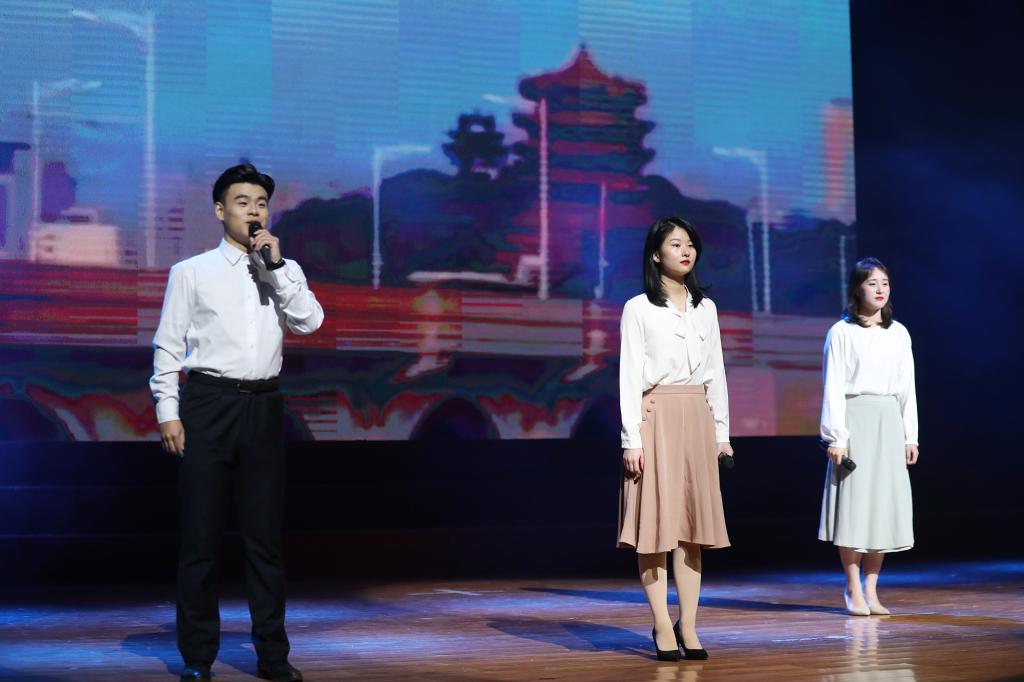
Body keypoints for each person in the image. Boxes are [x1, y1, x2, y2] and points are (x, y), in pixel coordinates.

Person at [151, 163, 324, 681]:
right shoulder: (191, 271)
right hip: (208, 404)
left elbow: (310, 322)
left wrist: (277, 268)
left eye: (261, 203)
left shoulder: (283, 268)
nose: (253, 211)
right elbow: (168, 345)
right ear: (220, 210)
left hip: (263, 406)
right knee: (201, 539)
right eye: (243, 202)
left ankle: (272, 655)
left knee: (264, 540)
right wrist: (168, 411)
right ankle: (198, 657)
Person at [617, 216, 733, 661]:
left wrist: (721, 433)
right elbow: (630, 375)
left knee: (691, 529)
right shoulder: (638, 308)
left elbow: (716, 372)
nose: (686, 251)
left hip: (696, 417)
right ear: (655, 254)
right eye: (675, 244)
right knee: (655, 529)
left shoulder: (707, 308)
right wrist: (631, 438)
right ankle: (662, 625)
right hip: (656, 418)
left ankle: (689, 624)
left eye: (690, 244)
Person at [818, 257, 919, 616]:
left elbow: (907, 387)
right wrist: (836, 437)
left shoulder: (899, 333)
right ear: (857, 288)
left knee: (882, 507)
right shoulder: (841, 332)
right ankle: (852, 587)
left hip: (888, 421)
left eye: (884, 283)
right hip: (855, 421)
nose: (879, 289)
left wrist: (910, 436)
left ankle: (872, 590)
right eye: (872, 283)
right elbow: (833, 387)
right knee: (855, 507)